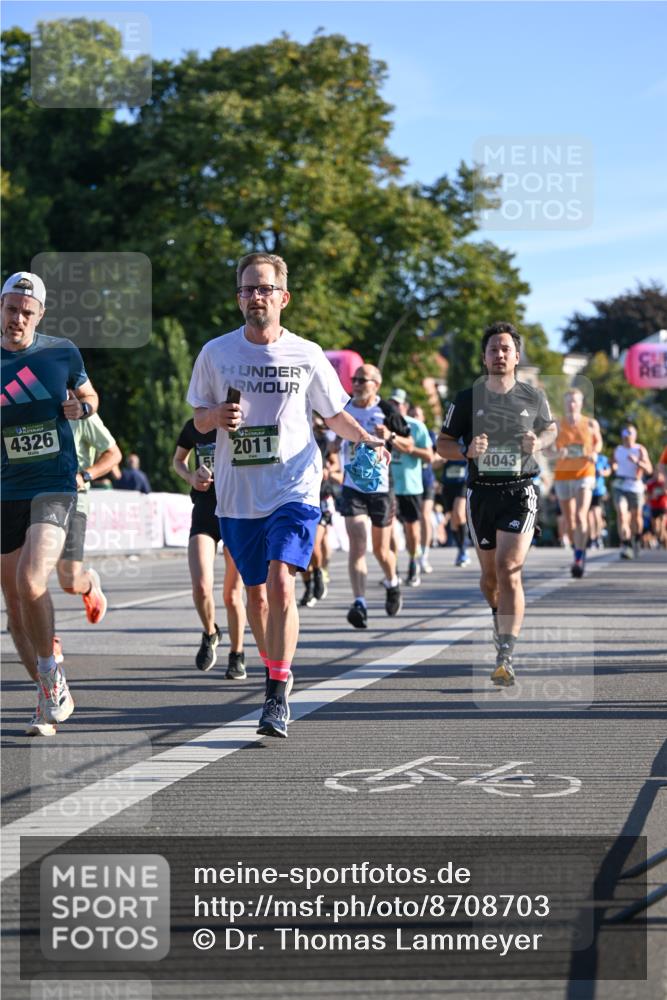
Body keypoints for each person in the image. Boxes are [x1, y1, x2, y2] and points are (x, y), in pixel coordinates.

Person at [187, 252, 386, 738]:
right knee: (255, 597)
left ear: (284, 297)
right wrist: (215, 419)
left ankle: (276, 692)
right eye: (247, 290)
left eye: (264, 289)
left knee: (280, 585)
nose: (255, 297)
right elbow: (197, 418)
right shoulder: (216, 353)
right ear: (238, 298)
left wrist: (367, 439)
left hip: (294, 486)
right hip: (237, 495)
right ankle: (275, 664)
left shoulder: (307, 353)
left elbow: (334, 415)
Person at [1, 271, 99, 736]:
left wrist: (85, 408)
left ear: (39, 315)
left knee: (30, 580)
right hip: (5, 490)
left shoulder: (61, 351)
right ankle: (47, 693)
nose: (17, 318)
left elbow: (89, 394)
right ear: (0, 308)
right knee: (15, 608)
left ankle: (49, 672)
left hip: (54, 483)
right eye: (10, 308)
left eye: (26, 311)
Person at [436, 321, 556, 687]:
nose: (500, 354)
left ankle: (506, 652)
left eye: (506, 349)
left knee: (509, 568)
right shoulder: (466, 398)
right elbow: (442, 444)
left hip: (520, 491)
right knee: (490, 578)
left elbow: (552, 429)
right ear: (485, 357)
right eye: (493, 349)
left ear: (516, 356)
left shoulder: (532, 396)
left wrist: (538, 441)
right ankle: (495, 612)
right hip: (481, 493)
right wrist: (465, 450)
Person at [173, 418, 248, 678]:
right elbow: (178, 460)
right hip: (205, 512)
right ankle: (211, 632)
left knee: (232, 595)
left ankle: (237, 654)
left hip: (237, 512)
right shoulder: (195, 425)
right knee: (202, 586)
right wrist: (191, 477)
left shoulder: (244, 422)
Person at [338, 364, 411, 628]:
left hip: (380, 488)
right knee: (358, 543)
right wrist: (334, 448)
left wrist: (390, 436)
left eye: (362, 380)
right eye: (354, 379)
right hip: (352, 486)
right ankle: (360, 603)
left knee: (381, 550)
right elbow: (333, 438)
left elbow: (409, 443)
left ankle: (392, 583)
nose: (356, 384)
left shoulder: (387, 410)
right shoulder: (344, 407)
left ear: (376, 385)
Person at [55, 412, 121, 635]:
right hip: (31, 501)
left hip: (74, 503)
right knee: (28, 576)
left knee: (69, 581)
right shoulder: (30, 411)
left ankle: (89, 584)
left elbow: (113, 454)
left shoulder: (81, 414)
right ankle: (45, 642)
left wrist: (84, 476)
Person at [552, 388, 602, 577]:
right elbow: (547, 449)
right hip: (563, 475)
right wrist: (557, 453)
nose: (572, 404)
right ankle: (577, 551)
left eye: (575, 401)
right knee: (569, 521)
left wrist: (595, 453)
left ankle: (579, 559)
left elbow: (598, 442)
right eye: (569, 401)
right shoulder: (557, 424)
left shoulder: (590, 423)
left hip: (584, 473)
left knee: (581, 516)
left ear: (581, 404)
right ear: (564, 404)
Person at [387, 389, 433, 587]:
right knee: (388, 530)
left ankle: (414, 561)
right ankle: (393, 568)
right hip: (387, 485)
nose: (394, 408)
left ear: (404, 406)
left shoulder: (416, 426)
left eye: (397, 404)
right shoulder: (382, 425)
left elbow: (429, 456)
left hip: (409, 486)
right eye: (391, 404)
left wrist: (408, 448)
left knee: (412, 530)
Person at [299, 417, 342, 608]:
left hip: (322, 497)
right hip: (298, 497)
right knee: (300, 548)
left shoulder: (323, 441)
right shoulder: (292, 437)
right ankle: (308, 586)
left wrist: (329, 470)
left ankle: (318, 572)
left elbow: (337, 467)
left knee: (313, 542)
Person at [612, 424, 653, 559]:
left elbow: (649, 470)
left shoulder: (640, 449)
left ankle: (636, 539)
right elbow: (613, 464)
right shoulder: (618, 450)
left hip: (635, 485)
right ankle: (626, 544)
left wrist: (638, 462)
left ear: (635, 435)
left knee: (636, 517)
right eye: (625, 433)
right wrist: (613, 466)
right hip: (620, 484)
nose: (627, 435)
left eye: (630, 433)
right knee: (622, 514)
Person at [409, 404, 440, 574]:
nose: (414, 417)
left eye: (417, 414)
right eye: (411, 414)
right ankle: (414, 555)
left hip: (426, 479)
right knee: (411, 520)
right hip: (407, 482)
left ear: (423, 418)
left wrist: (421, 454)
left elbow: (435, 456)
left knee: (425, 514)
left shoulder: (429, 434)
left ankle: (424, 556)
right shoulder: (403, 432)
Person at [439, 455, 471, 566]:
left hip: (463, 482)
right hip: (448, 484)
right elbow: (434, 463)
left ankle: (463, 549)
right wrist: (441, 460)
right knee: (453, 520)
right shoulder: (445, 440)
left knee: (459, 513)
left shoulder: (467, 438)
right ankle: (461, 549)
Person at [589, 451, 611, 549]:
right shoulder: (584, 456)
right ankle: (592, 539)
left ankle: (598, 538)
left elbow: (609, 470)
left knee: (596, 514)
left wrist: (603, 472)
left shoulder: (602, 458)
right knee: (589, 517)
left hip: (598, 490)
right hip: (586, 489)